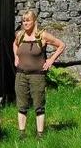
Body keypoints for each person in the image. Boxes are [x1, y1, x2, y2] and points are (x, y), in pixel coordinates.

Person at [13, 10, 66, 138]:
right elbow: (14, 45)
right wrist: (16, 57)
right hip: (21, 75)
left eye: (28, 20)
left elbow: (61, 45)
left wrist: (51, 60)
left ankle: (40, 134)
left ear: (34, 21)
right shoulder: (20, 35)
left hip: (37, 76)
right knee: (22, 105)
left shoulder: (42, 36)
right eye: (23, 21)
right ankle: (22, 134)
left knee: (39, 105)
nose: (25, 23)